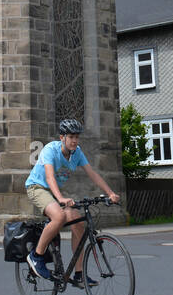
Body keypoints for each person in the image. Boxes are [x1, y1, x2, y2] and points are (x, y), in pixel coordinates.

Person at [25, 118, 119, 286]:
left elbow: (93, 174)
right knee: (59, 217)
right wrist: (60, 198)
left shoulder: (77, 153)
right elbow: (49, 176)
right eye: (71, 137)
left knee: (77, 224)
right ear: (62, 137)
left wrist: (110, 193)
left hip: (54, 192)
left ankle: (79, 273)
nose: (75, 140)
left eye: (77, 137)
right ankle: (36, 256)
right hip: (38, 187)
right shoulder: (50, 150)